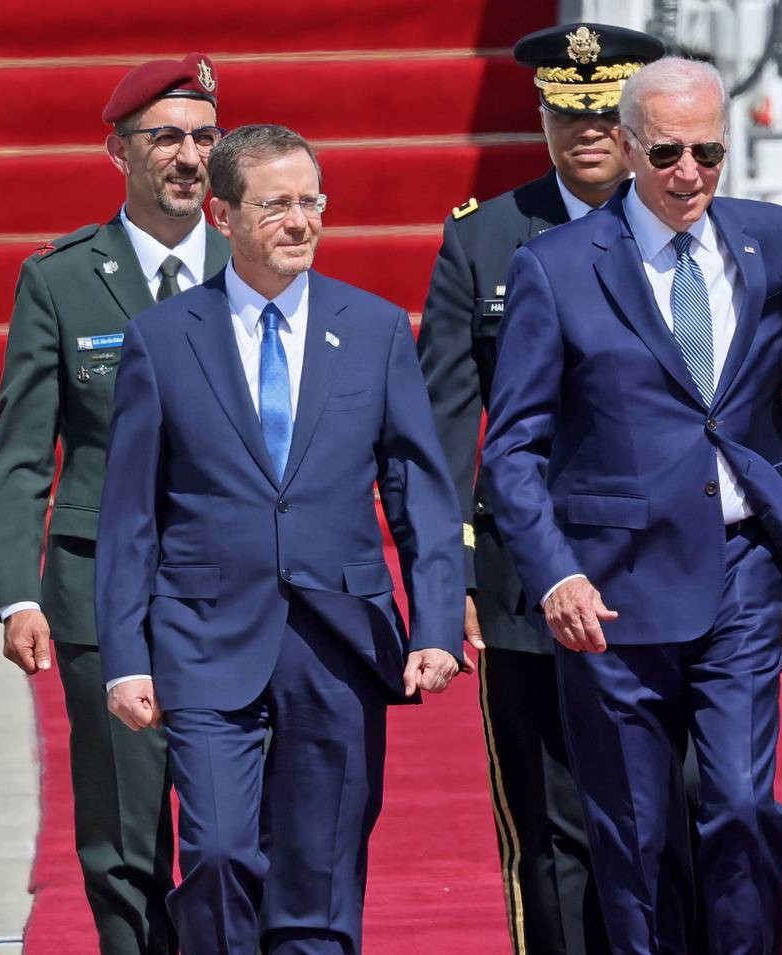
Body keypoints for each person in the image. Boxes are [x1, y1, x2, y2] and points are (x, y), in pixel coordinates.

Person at [478, 55, 782, 955]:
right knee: (636, 834)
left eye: (707, 153)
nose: (689, 173)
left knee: (742, 806)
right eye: (668, 152)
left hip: (741, 573)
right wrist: (554, 573)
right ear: (629, 145)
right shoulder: (556, 267)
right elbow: (513, 449)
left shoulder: (773, 240)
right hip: (613, 590)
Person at [93, 124, 465, 953]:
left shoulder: (372, 328)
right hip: (203, 630)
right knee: (219, 850)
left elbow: (419, 490)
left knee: (320, 873)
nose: (300, 221)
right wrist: (125, 656)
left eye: (310, 201)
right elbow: (129, 516)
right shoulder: (163, 338)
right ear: (222, 215)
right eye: (276, 206)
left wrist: (437, 623)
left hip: (338, 636)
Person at [416, 24, 684, 955]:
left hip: (666, 566)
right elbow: (445, 420)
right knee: (551, 824)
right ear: (541, 118)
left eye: (607, 114)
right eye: (569, 114)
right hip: (528, 576)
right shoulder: (484, 238)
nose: (589, 132)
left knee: (678, 804)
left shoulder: (688, 227)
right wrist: (450, 573)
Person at [0, 53, 229, 954]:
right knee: (123, 836)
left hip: (235, 588)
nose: (189, 157)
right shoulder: (62, 278)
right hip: (99, 592)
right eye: (165, 138)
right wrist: (19, 593)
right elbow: (19, 455)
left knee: (237, 824)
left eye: (205, 138)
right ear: (118, 151)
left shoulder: (254, 263)